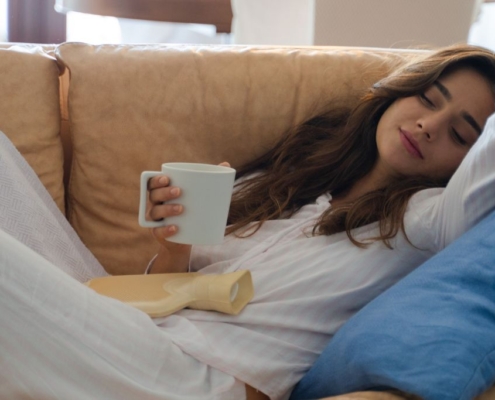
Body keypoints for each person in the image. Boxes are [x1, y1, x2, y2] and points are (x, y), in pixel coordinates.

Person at [1, 44, 495, 400]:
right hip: (144, 334)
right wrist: (174, 244)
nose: (430, 125)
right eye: (429, 100)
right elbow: (178, 292)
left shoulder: (428, 222)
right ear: (400, 91)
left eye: (460, 133)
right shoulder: (297, 172)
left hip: (202, 381)